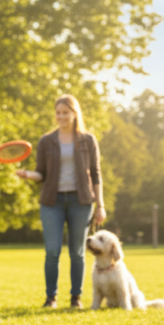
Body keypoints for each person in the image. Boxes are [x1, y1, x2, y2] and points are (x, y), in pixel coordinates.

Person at [16, 95, 106, 309]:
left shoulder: (87, 139)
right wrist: (28, 174)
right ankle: (51, 298)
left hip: (81, 201)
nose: (61, 116)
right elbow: (41, 173)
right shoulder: (46, 141)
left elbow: (95, 173)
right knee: (53, 251)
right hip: (52, 201)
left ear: (74, 114)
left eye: (66, 112)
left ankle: (76, 298)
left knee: (77, 252)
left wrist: (100, 205)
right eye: (58, 113)